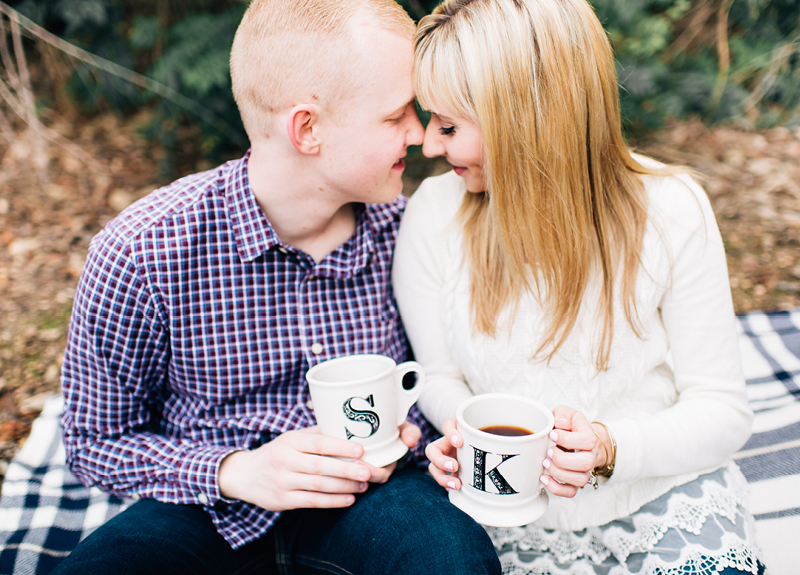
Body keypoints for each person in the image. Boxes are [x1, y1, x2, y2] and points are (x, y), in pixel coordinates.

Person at [54, 1, 501, 573]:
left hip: (382, 498)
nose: (420, 135)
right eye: (395, 117)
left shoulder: (413, 230)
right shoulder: (144, 249)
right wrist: (236, 471)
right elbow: (94, 442)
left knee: (451, 560)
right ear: (307, 129)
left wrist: (417, 433)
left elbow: (446, 376)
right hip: (205, 507)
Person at [392, 0, 765, 573]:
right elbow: (439, 377)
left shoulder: (671, 210)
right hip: (501, 516)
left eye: (448, 126)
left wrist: (610, 448)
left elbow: (721, 411)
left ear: (527, 119)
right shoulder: (434, 214)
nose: (431, 147)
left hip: (656, 500)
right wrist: (465, 433)